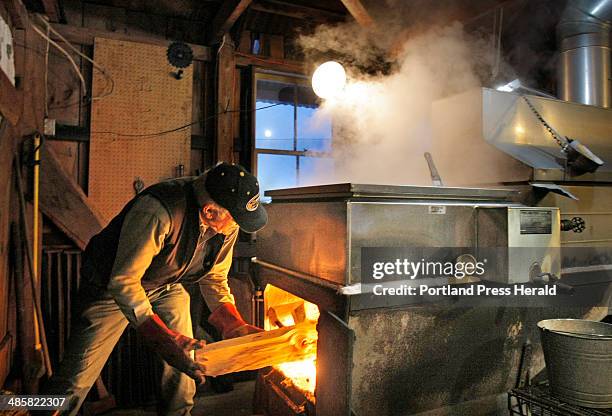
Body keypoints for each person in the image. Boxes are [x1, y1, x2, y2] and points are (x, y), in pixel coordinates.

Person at [45, 162, 267, 416]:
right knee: (74, 381)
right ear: (210, 211)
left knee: (185, 368)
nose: (237, 226)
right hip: (112, 289)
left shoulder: (227, 223)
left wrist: (234, 325)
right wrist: (164, 338)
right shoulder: (158, 212)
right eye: (235, 219)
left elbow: (214, 277)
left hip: (166, 285)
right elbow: (124, 282)